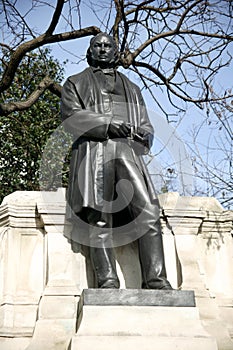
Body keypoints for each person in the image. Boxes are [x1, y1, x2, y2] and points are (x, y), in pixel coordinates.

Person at [61, 32, 172, 290]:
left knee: (147, 211)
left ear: (115, 51)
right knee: (98, 216)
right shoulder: (75, 82)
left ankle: (156, 280)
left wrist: (138, 134)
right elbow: (71, 118)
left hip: (126, 153)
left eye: (107, 45)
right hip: (93, 154)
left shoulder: (132, 89)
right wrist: (109, 124)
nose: (102, 49)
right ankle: (107, 280)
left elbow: (147, 128)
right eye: (96, 46)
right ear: (90, 51)